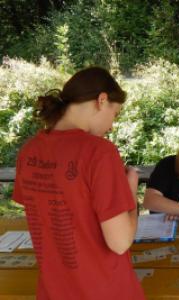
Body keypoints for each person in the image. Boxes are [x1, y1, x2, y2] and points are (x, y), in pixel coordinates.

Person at [12, 67, 145, 300]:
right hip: (106, 290)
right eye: (115, 114)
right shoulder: (99, 152)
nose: (112, 126)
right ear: (102, 100)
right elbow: (121, 242)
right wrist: (130, 190)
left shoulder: (29, 151)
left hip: (52, 292)